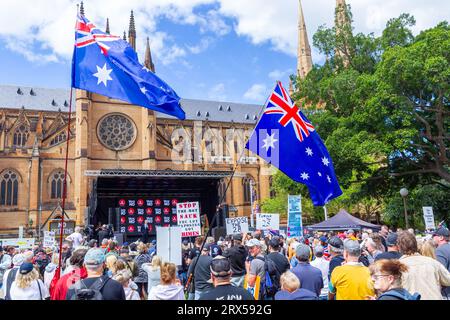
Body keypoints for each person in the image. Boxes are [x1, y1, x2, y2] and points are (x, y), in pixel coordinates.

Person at [398, 231, 450, 300]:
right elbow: (448, 280)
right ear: (416, 244)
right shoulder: (432, 262)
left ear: (399, 247)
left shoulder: (396, 267)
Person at [432, 227, 450, 298]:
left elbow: (440, 272)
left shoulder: (440, 250)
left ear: (441, 237)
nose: (433, 238)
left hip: (447, 292)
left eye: (434, 236)